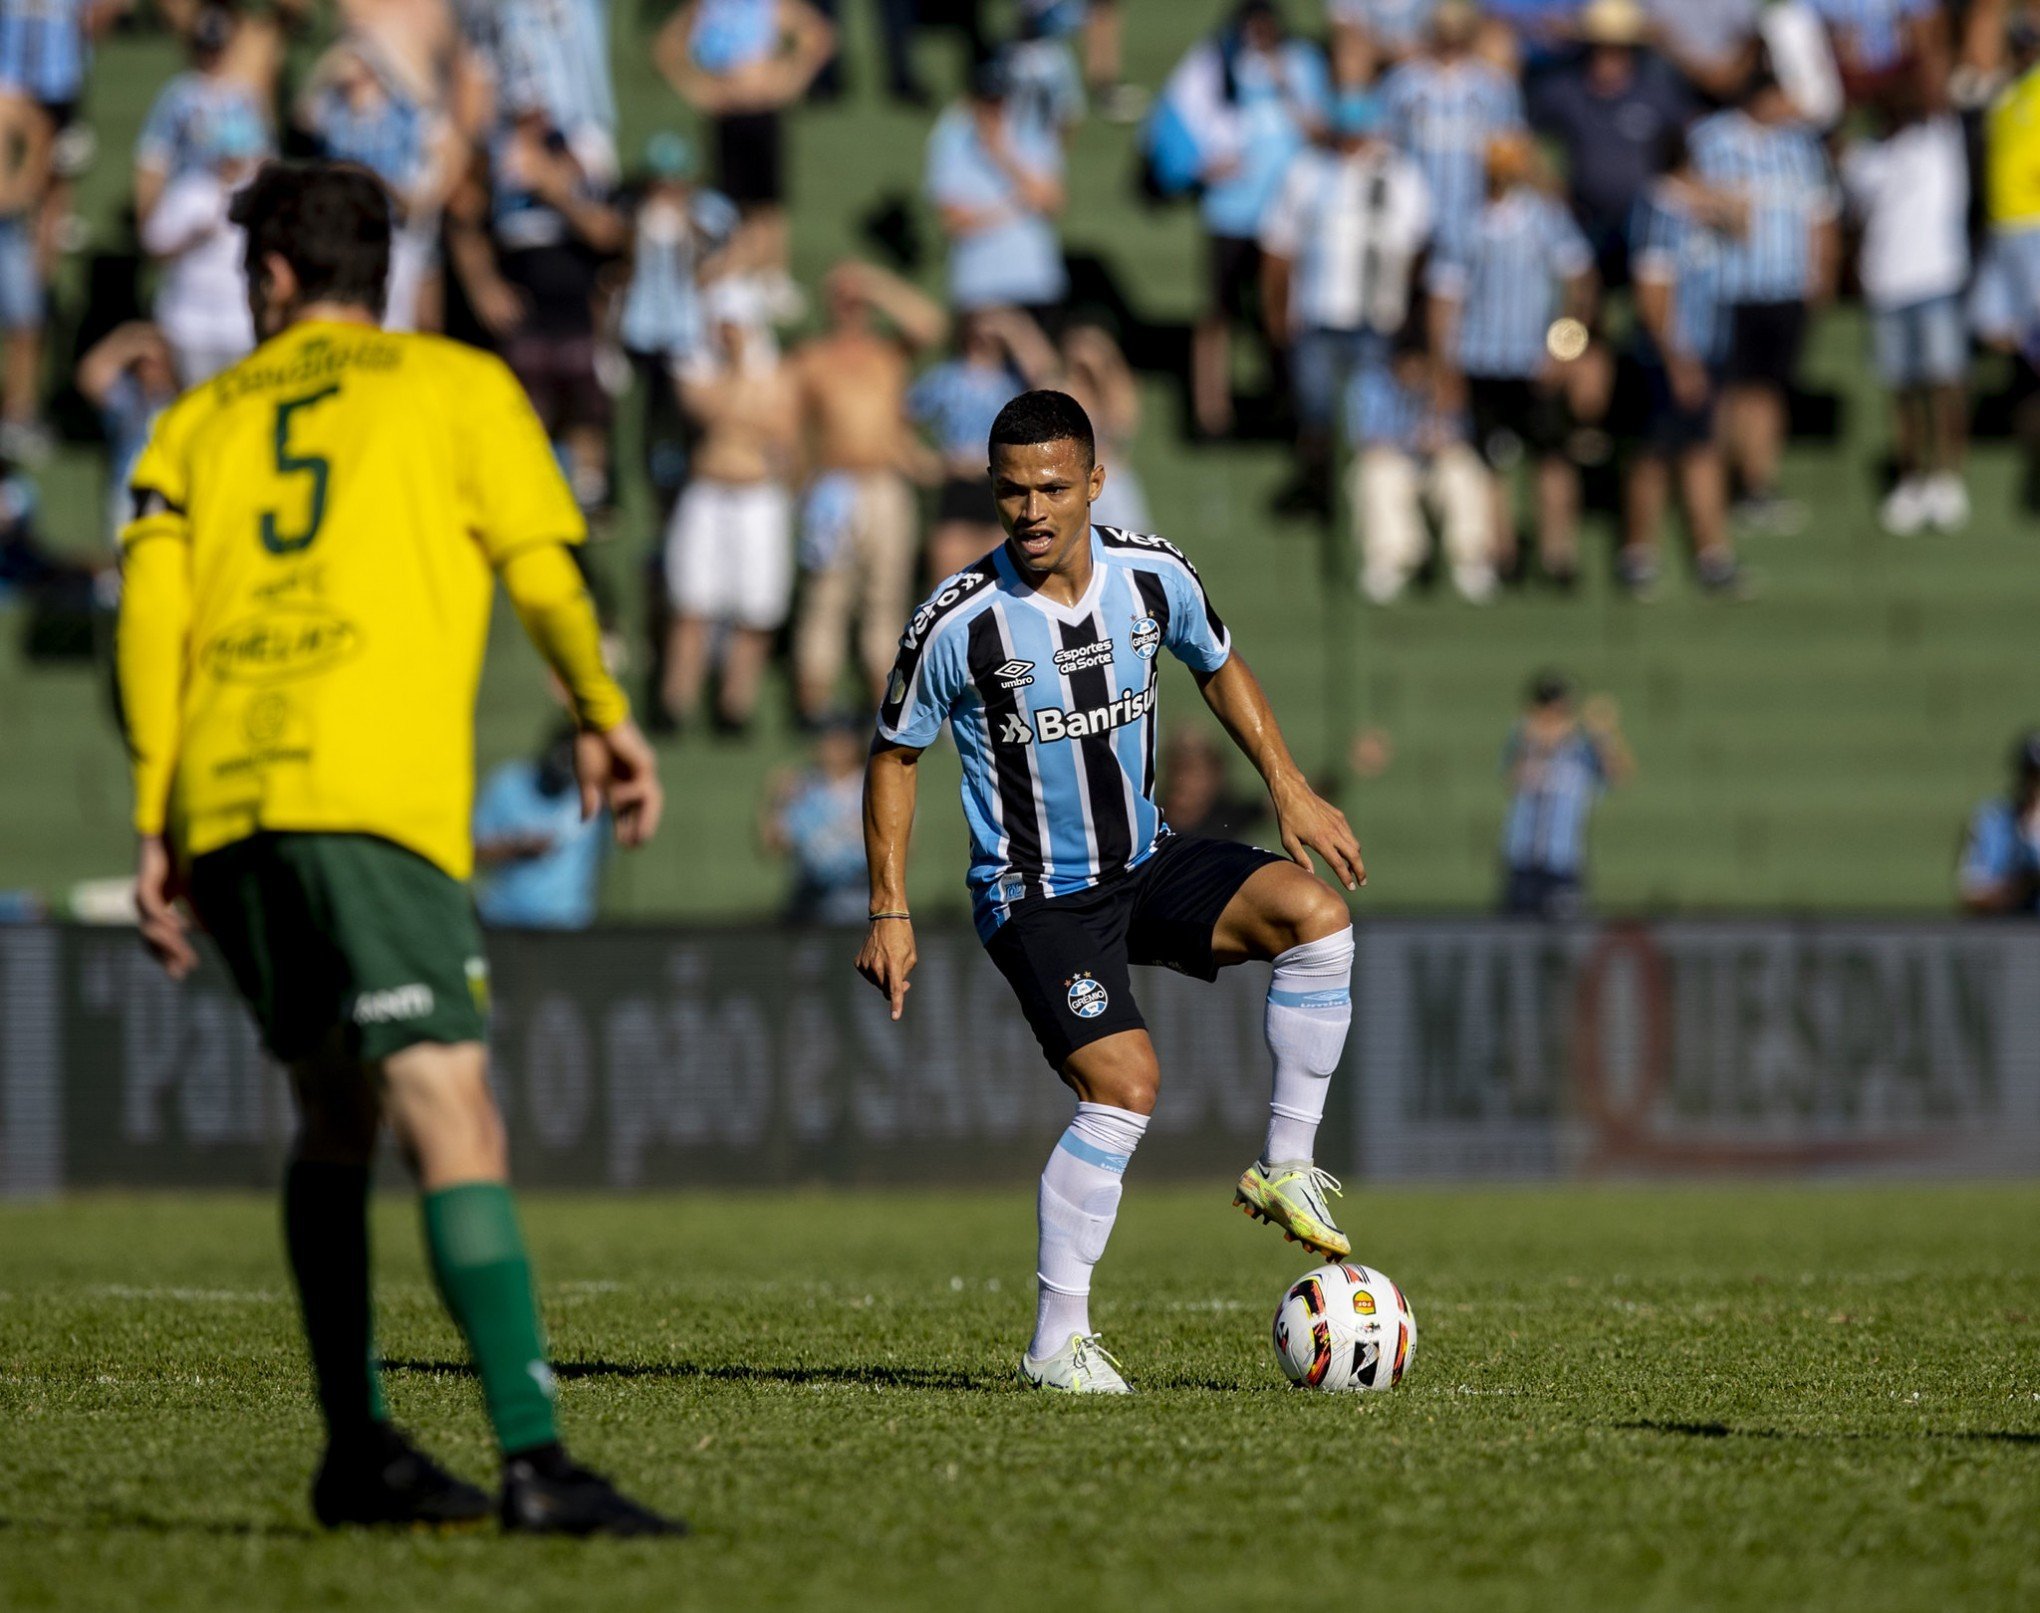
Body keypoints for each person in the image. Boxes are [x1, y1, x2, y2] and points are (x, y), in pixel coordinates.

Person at [115, 161, 676, 1533]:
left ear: (273, 278)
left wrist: (155, 814)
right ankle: (535, 1458)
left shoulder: (190, 425)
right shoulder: (456, 387)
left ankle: (359, 1447)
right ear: (383, 270)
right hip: (369, 797)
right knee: (448, 1106)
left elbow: (148, 624)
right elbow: (544, 567)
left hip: (231, 806)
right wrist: (602, 715)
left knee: (333, 1113)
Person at [857, 389, 1366, 1393]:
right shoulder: (957, 620)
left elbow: (1219, 664)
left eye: (1052, 486)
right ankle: (1056, 1342)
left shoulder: (1152, 573)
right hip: (1036, 892)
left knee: (1318, 920)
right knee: (1126, 1083)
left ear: (1095, 481)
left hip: (1147, 859)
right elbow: (894, 754)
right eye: (1011, 491)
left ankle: (1284, 1164)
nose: (1032, 510)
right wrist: (889, 904)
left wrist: (1288, 785)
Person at [1429, 132, 1597, 587]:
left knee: (1552, 457)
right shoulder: (1465, 223)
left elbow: (1579, 283)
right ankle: (1501, 554)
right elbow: (1446, 298)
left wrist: (1565, 349)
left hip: (1535, 360)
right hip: (1483, 360)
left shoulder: (1546, 219)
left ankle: (1557, 554)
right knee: (1492, 461)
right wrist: (1445, 364)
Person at [448, 103, 627, 515]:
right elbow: (464, 217)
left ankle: (588, 497)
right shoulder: (491, 155)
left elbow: (608, 233)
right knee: (526, 409)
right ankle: (525, 497)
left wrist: (553, 187)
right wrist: (482, 286)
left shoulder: (580, 154)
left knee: (586, 407)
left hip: (576, 306)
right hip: (523, 308)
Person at [1260, 89, 1433, 514]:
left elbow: (1418, 248)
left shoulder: (1401, 175)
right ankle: (1322, 493)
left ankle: (1369, 505)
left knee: (1373, 423)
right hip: (1318, 316)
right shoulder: (1308, 171)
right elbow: (1279, 246)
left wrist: (1409, 319)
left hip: (1376, 318)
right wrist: (1277, 311)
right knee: (1316, 413)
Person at [1161, 0, 1330, 437]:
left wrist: (1286, 84)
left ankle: (1287, 402)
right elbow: (1183, 118)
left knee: (1284, 314)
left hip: (1286, 214)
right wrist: (1199, 166)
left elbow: (1321, 131)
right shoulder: (1218, 62)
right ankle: (1210, 412)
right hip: (1230, 212)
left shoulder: (1303, 64)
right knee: (1217, 314)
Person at [789, 260, 946, 722]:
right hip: (834, 487)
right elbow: (794, 431)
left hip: (885, 485)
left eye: (857, 303)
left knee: (886, 595)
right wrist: (801, 490)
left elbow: (930, 323)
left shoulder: (888, 353)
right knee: (827, 598)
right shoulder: (813, 358)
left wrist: (874, 284)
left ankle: (886, 704)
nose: (851, 309)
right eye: (844, 300)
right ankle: (812, 707)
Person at [1690, 66, 1841, 534]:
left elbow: (1820, 213)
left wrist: (1822, 273)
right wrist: (1722, 207)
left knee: (1769, 389)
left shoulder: (1800, 146)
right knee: (1729, 390)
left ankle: (1758, 486)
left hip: (1783, 286)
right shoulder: (1709, 139)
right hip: (1725, 287)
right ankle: (1722, 484)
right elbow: (1680, 195)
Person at [662, 287, 799, 734]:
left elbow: (782, 426)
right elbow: (707, 411)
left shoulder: (774, 372)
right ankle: (674, 705)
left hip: (758, 499)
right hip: (707, 495)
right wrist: (743, 396)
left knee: (756, 609)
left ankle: (734, 707)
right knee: (691, 604)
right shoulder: (696, 366)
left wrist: (743, 405)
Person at [1842, 88, 1972, 535]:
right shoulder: (1863, 159)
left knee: (1945, 383)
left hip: (1937, 283)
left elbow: (1936, 77)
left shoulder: (1939, 140)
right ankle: (1912, 479)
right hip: (1885, 290)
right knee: (1902, 391)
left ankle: (1949, 478)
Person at [1625, 128, 1747, 596]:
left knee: (1702, 450)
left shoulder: (1693, 208)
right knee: (1656, 454)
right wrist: (1677, 360)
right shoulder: (1658, 211)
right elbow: (1652, 294)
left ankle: (1712, 554)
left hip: (1705, 347)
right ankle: (1639, 553)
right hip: (1672, 353)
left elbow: (1745, 223)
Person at [655, 0, 836, 282]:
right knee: (732, 203)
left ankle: (772, 276)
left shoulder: (766, 6)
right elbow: (667, 46)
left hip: (763, 109)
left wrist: (792, 78)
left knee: (768, 205)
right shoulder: (707, 8)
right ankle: (739, 274)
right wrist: (697, 90)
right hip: (726, 114)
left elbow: (818, 34)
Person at [1528, 0, 1693, 293]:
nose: (1606, 58)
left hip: (1644, 222)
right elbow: (1524, 131)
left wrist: (1674, 184)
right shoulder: (1566, 91)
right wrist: (1548, 185)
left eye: (1616, 48)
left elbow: (1687, 141)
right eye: (1598, 47)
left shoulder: (1657, 93)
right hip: (1585, 219)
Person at [908, 305, 1059, 580]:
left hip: (1003, 487)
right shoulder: (947, 376)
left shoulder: (1013, 380)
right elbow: (903, 417)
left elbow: (1048, 378)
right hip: (959, 486)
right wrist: (924, 464)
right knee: (950, 583)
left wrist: (1013, 329)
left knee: (1001, 585)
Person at [1346, 332, 1495, 602]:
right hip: (1396, 464)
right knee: (1378, 470)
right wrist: (1411, 439)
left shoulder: (1446, 383)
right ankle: (1390, 560)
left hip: (1435, 469)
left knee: (1465, 468)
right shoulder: (1369, 384)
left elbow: (1462, 435)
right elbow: (1365, 440)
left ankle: (1470, 560)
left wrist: (1440, 432)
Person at [1379, 0, 1525, 264]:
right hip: (1412, 217)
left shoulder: (1494, 87)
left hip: (1472, 216)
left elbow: (1509, 151)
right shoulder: (1403, 83)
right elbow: (1385, 147)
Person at [925, 56, 1069, 319]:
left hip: (1035, 283)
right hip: (978, 288)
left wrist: (1002, 157)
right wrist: (1017, 205)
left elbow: (1052, 202)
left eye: (1002, 100)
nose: (996, 110)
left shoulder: (1033, 132)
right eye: (989, 101)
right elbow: (954, 222)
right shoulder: (950, 138)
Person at [139, 96, 266, 386]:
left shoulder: (258, 192)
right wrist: (192, 237)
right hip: (190, 324)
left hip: (240, 324)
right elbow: (154, 245)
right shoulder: (190, 191)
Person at [1498, 672, 1632, 918]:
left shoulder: (1583, 746)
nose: (1552, 715)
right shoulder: (1522, 738)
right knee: (1518, 933)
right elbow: (1511, 777)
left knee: (1566, 938)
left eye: (1558, 708)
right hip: (1521, 858)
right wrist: (1537, 741)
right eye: (1546, 707)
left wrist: (1603, 734)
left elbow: (1618, 776)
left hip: (1563, 859)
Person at [473, 724, 608, 930]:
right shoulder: (506, 783)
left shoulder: (589, 796)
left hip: (567, 925)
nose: (565, 768)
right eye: (563, 758)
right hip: (504, 919)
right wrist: (517, 848)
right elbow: (473, 851)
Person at [76, 321, 178, 547]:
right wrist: (131, 341)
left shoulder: (182, 401)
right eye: (144, 362)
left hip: (169, 498)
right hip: (127, 498)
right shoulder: (127, 398)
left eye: (157, 362)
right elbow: (90, 373)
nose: (151, 368)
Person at [761, 714, 869, 924]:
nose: (829, 745)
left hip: (861, 899)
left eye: (839, 739)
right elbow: (773, 845)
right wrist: (775, 802)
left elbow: (906, 850)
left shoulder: (874, 787)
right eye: (826, 738)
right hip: (812, 902)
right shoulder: (802, 787)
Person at [1057, 320, 1150, 532]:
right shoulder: (1059, 387)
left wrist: (1099, 378)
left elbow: (1120, 429)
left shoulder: (1117, 391)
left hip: (1108, 479)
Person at [1958, 731, 2040, 914]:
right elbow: (1971, 893)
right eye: (2032, 775)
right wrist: (2021, 885)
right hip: (2003, 933)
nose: (2035, 784)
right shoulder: (1993, 820)